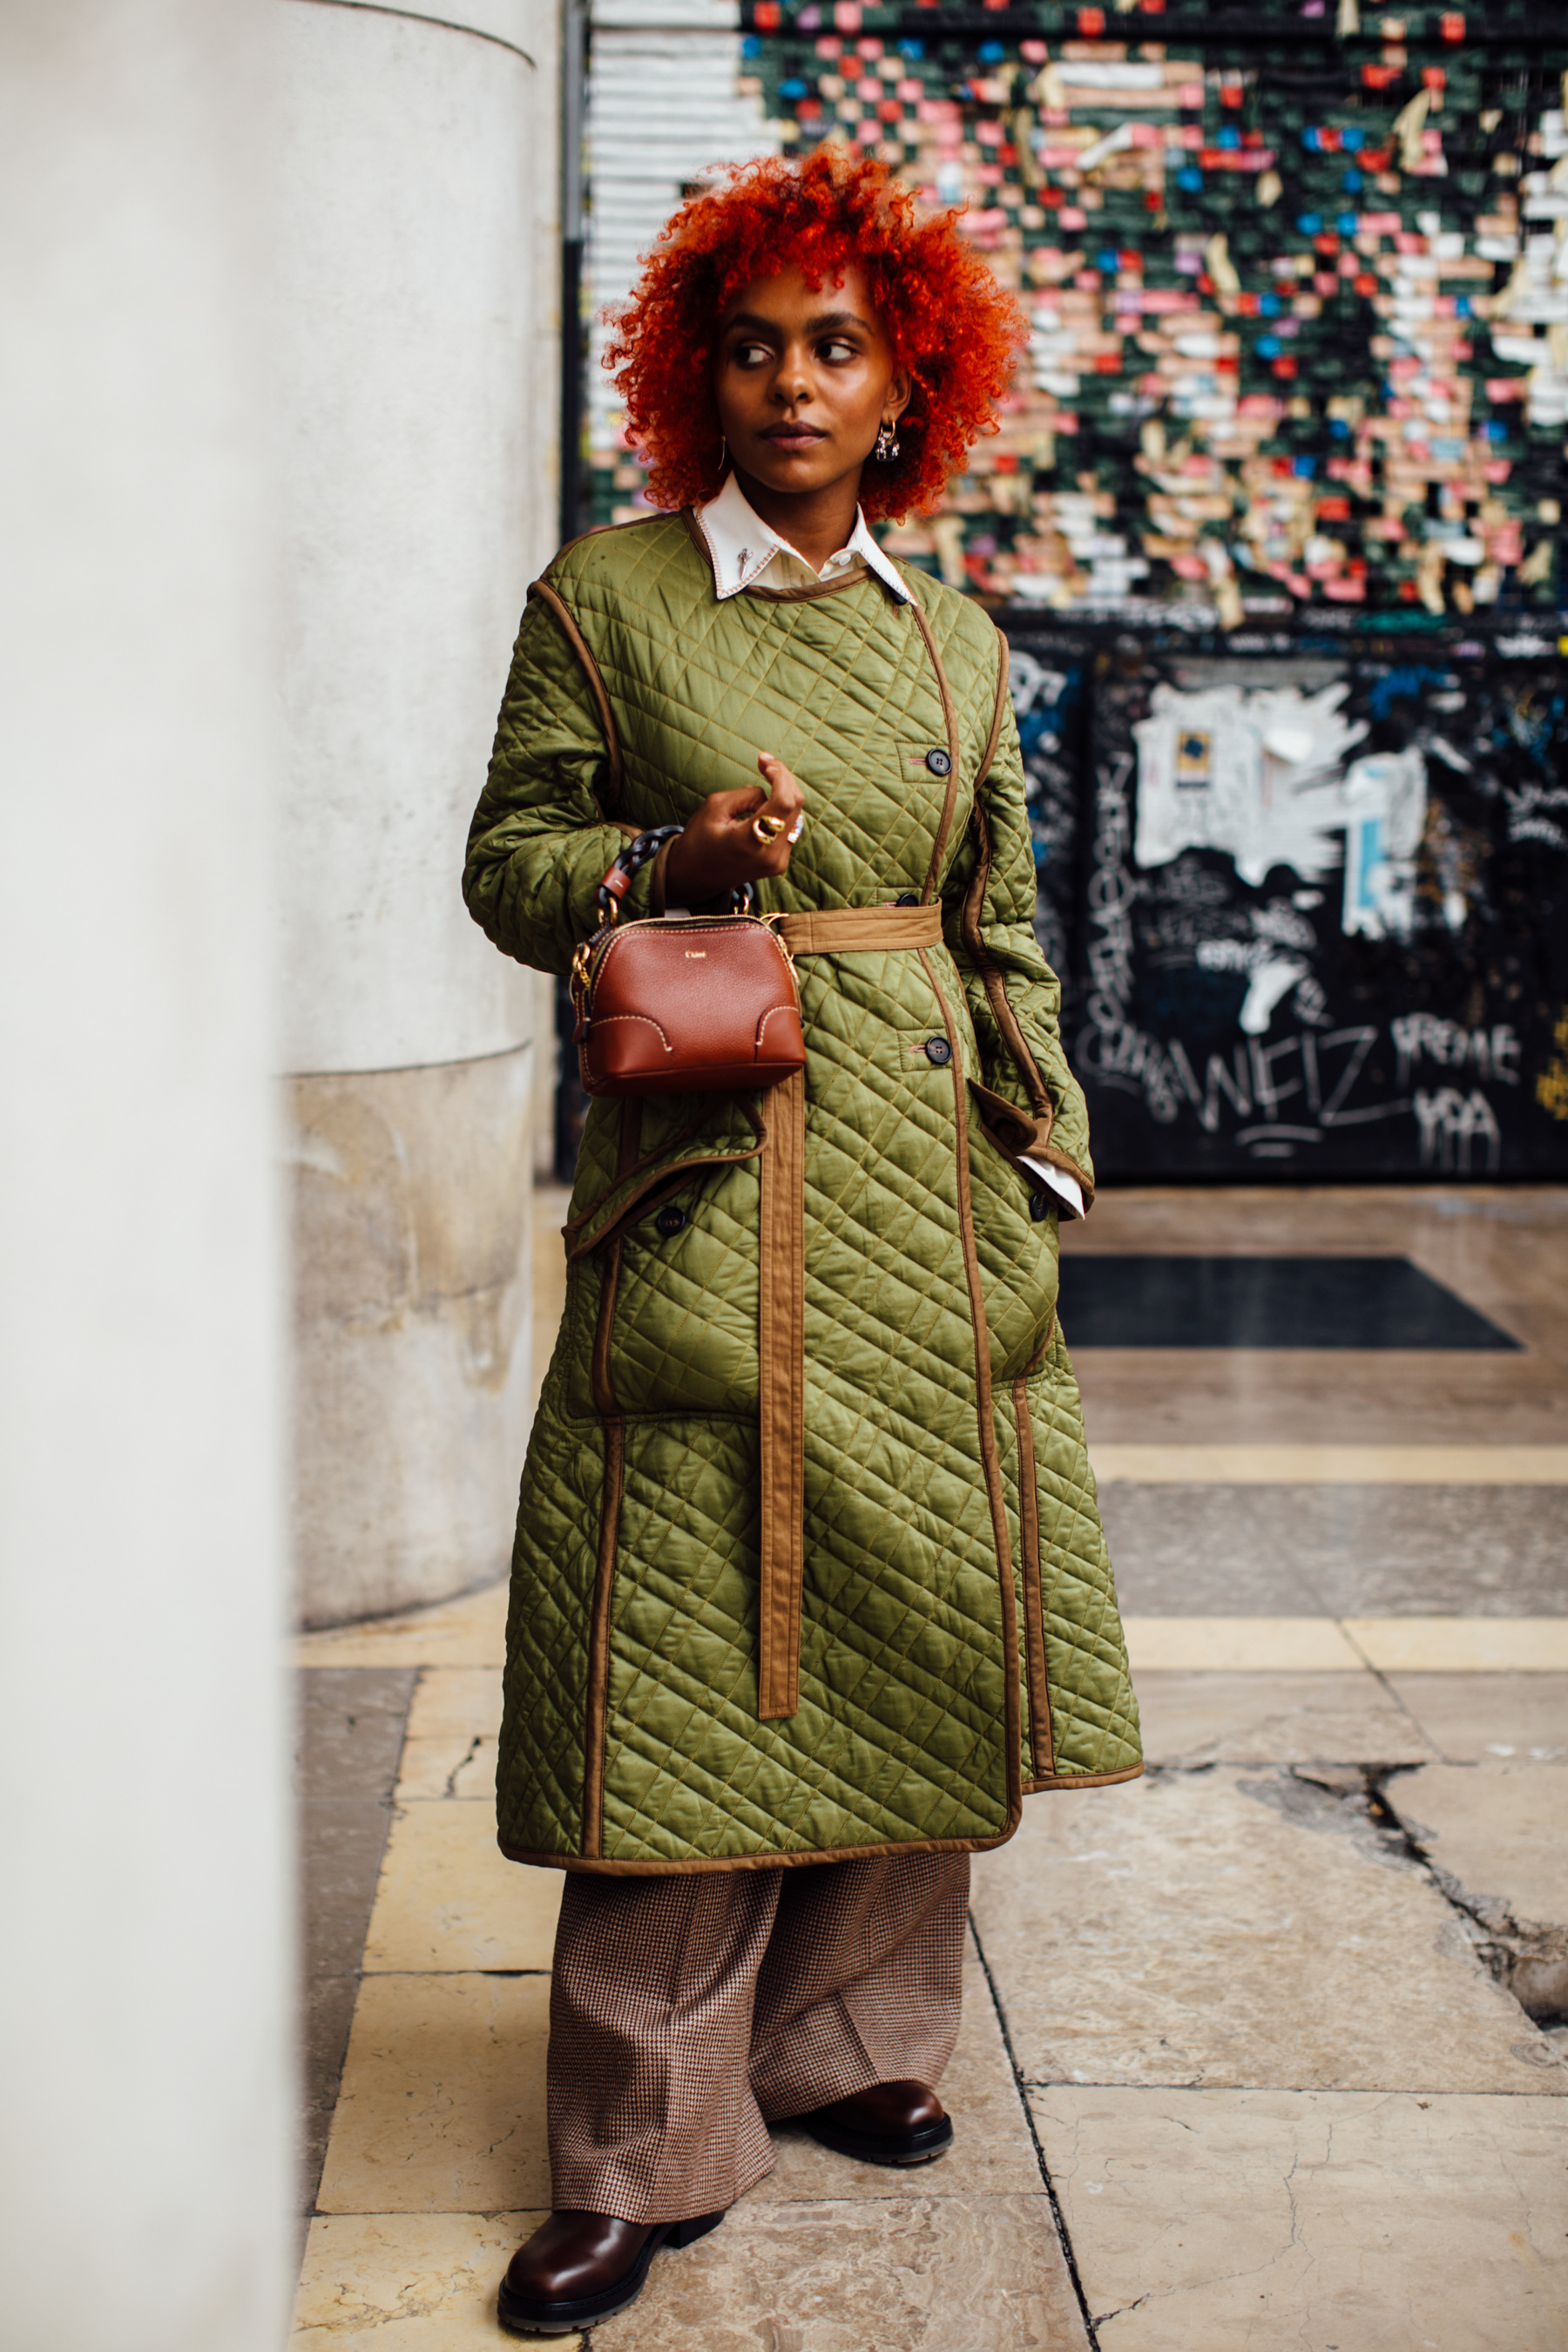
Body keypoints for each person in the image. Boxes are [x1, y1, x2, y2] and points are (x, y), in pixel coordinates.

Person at [463, 146, 1141, 2339]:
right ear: (697, 371)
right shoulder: (611, 598)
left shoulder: (959, 638)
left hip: (931, 1207)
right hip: (711, 1188)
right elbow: (511, 865)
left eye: (835, 344)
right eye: (750, 342)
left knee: (910, 1615)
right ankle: (634, 2151)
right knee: (674, 1645)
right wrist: (674, 852)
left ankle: (854, 2052)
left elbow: (1003, 923)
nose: (789, 380)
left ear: (903, 377)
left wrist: (1043, 1158)